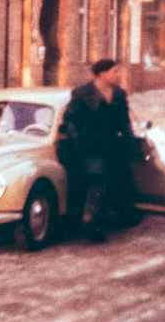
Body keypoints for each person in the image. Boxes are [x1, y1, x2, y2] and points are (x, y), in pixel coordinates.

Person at [57, 58, 141, 242]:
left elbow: (124, 121)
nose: (118, 75)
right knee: (97, 178)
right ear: (102, 74)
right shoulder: (82, 93)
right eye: (114, 71)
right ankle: (90, 221)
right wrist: (77, 140)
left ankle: (117, 215)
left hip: (112, 145)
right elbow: (70, 120)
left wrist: (130, 141)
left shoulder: (119, 94)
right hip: (89, 146)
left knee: (118, 178)